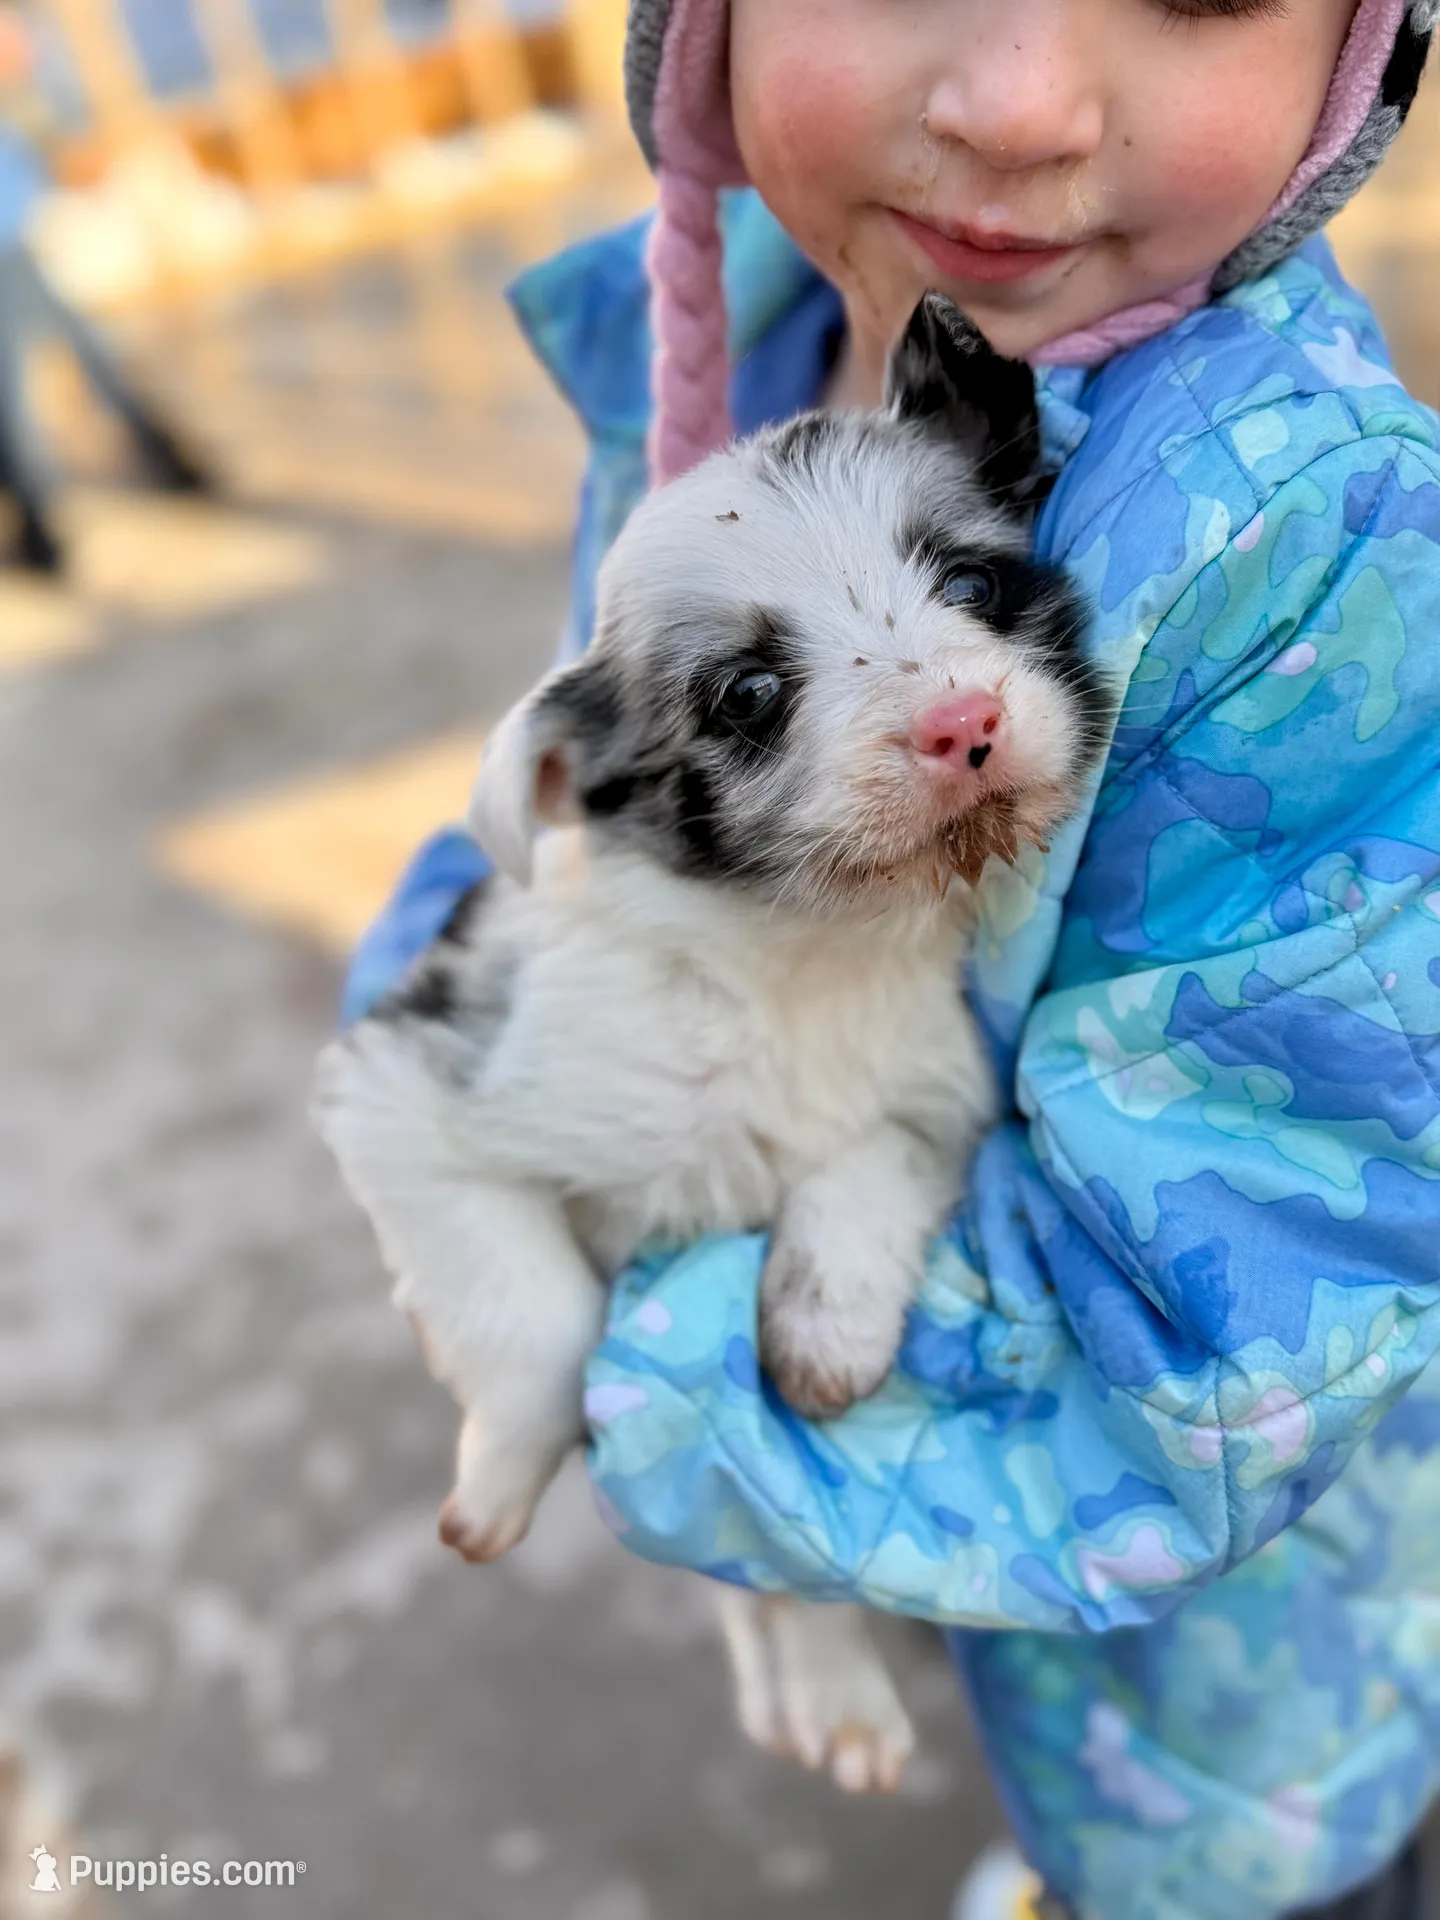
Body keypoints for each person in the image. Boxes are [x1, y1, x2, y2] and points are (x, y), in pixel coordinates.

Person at [343, 3, 1440, 1915]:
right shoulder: (774, 302)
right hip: (926, 1500)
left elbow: (1219, 1337)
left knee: (1243, 1855)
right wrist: (433, 1042)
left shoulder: (1329, 562)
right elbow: (592, 799)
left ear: (1369, 45)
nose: (1016, 105)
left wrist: (609, 1351)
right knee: (991, 1671)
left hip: (1241, 1687)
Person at [0, 4, 208, 571]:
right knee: (16, 395)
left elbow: (42, 138)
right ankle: (39, 522)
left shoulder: (16, 91)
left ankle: (164, 458)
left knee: (95, 353)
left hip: (18, 241)